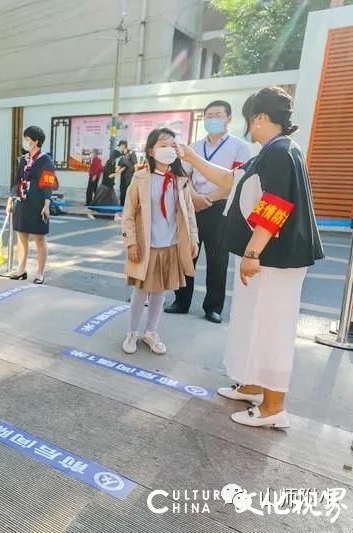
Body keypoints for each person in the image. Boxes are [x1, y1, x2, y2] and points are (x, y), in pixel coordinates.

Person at [177, 86, 323, 428]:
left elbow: (276, 204)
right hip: (266, 258)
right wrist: (193, 158)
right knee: (256, 323)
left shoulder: (281, 152)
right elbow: (231, 180)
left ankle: (274, 407)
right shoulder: (270, 152)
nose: (249, 127)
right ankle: (254, 383)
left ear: (259, 117)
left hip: (274, 258)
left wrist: (253, 251)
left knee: (272, 327)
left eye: (249, 120)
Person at [165, 101, 251, 324]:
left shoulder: (239, 147)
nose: (213, 119)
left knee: (218, 259)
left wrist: (209, 199)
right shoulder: (194, 146)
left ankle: (213, 307)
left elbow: (236, 180)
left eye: (218, 115)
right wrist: (195, 198)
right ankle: (181, 301)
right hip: (193, 205)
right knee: (187, 254)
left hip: (222, 206)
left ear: (229, 118)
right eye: (209, 115)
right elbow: (184, 176)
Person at [121, 128, 198, 356]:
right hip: (147, 245)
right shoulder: (140, 178)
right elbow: (128, 214)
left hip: (171, 245)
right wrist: (131, 243)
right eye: (163, 145)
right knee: (141, 291)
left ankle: (151, 332)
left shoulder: (180, 180)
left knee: (160, 292)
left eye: (172, 145)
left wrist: (193, 238)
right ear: (152, 150)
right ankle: (132, 332)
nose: (168, 150)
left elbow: (189, 213)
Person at [6, 126, 58, 284]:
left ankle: (40, 273)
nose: (26, 141)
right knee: (21, 237)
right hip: (22, 202)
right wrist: (10, 200)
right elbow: (16, 181)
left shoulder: (45, 160)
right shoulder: (23, 159)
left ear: (36, 141)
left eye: (28, 138)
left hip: (38, 203)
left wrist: (47, 205)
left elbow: (48, 184)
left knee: (39, 239)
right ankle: (21, 270)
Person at [117, 139, 138, 207]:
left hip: (130, 178)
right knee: (122, 193)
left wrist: (136, 178)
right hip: (123, 178)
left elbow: (135, 165)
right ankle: (121, 208)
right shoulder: (122, 156)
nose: (119, 148)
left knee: (129, 194)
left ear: (123, 146)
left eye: (120, 146)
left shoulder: (132, 153)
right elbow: (119, 167)